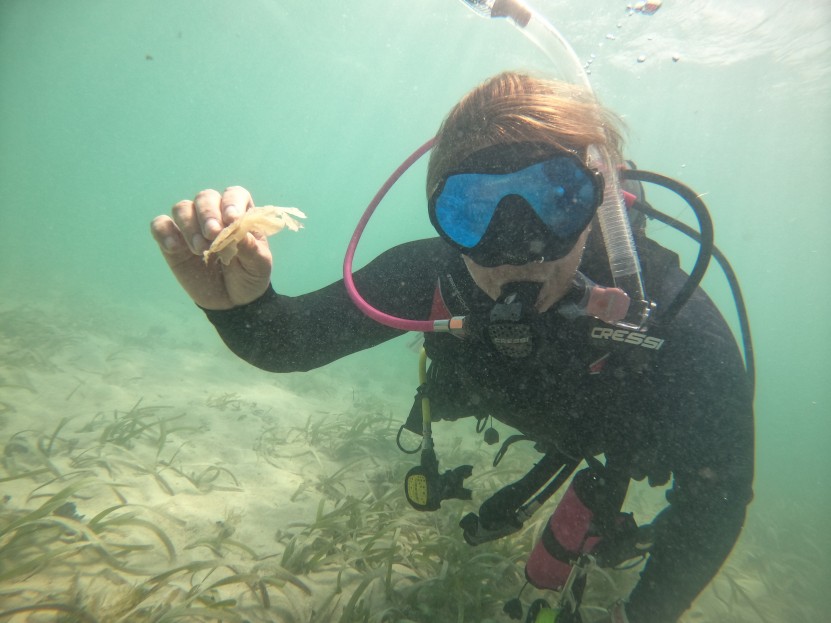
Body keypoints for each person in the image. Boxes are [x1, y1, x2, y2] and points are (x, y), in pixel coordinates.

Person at [150, 71, 754, 623]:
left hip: (611, 435)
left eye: (554, 197)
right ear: (441, 216)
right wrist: (236, 304)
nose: (519, 245)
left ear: (598, 203)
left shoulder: (675, 324)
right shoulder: (432, 277)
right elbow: (289, 344)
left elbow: (717, 497)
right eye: (472, 210)